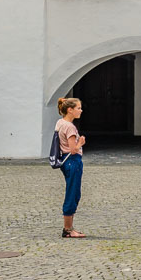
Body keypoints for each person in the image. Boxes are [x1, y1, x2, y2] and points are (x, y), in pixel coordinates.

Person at [55, 97, 86, 238]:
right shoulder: (70, 127)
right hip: (73, 161)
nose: (81, 110)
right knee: (73, 194)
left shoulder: (60, 123)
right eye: (78, 108)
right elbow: (73, 149)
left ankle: (69, 228)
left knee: (72, 192)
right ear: (70, 110)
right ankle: (68, 229)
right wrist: (81, 142)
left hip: (66, 162)